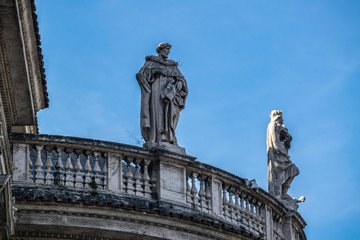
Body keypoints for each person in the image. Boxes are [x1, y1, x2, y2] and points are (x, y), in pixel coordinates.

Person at [136, 43, 188, 149]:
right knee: (156, 114)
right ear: (160, 50)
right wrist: (156, 71)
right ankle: (155, 138)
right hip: (157, 91)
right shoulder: (151, 62)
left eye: (169, 50)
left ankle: (170, 138)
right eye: (166, 49)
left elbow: (182, 79)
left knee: (171, 114)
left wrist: (180, 83)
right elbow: (141, 75)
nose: (168, 52)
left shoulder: (172, 65)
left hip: (170, 94)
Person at [267, 110, 299, 199]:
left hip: (283, 154)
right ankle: (279, 194)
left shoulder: (280, 127)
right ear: (278, 118)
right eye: (281, 117)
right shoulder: (273, 125)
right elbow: (274, 141)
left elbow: (287, 140)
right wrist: (280, 149)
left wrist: (286, 137)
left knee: (294, 170)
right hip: (277, 155)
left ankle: (284, 192)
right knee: (277, 176)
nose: (283, 120)